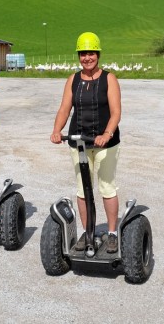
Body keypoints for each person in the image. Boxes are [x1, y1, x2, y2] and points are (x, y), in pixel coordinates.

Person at [51, 32, 122, 253]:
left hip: (105, 143)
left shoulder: (109, 78)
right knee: (83, 189)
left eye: (91, 53)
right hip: (78, 141)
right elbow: (65, 108)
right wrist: (56, 130)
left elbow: (116, 112)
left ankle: (111, 233)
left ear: (98, 54)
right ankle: (87, 231)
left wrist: (107, 133)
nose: (87, 58)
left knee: (106, 187)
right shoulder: (73, 80)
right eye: (83, 53)